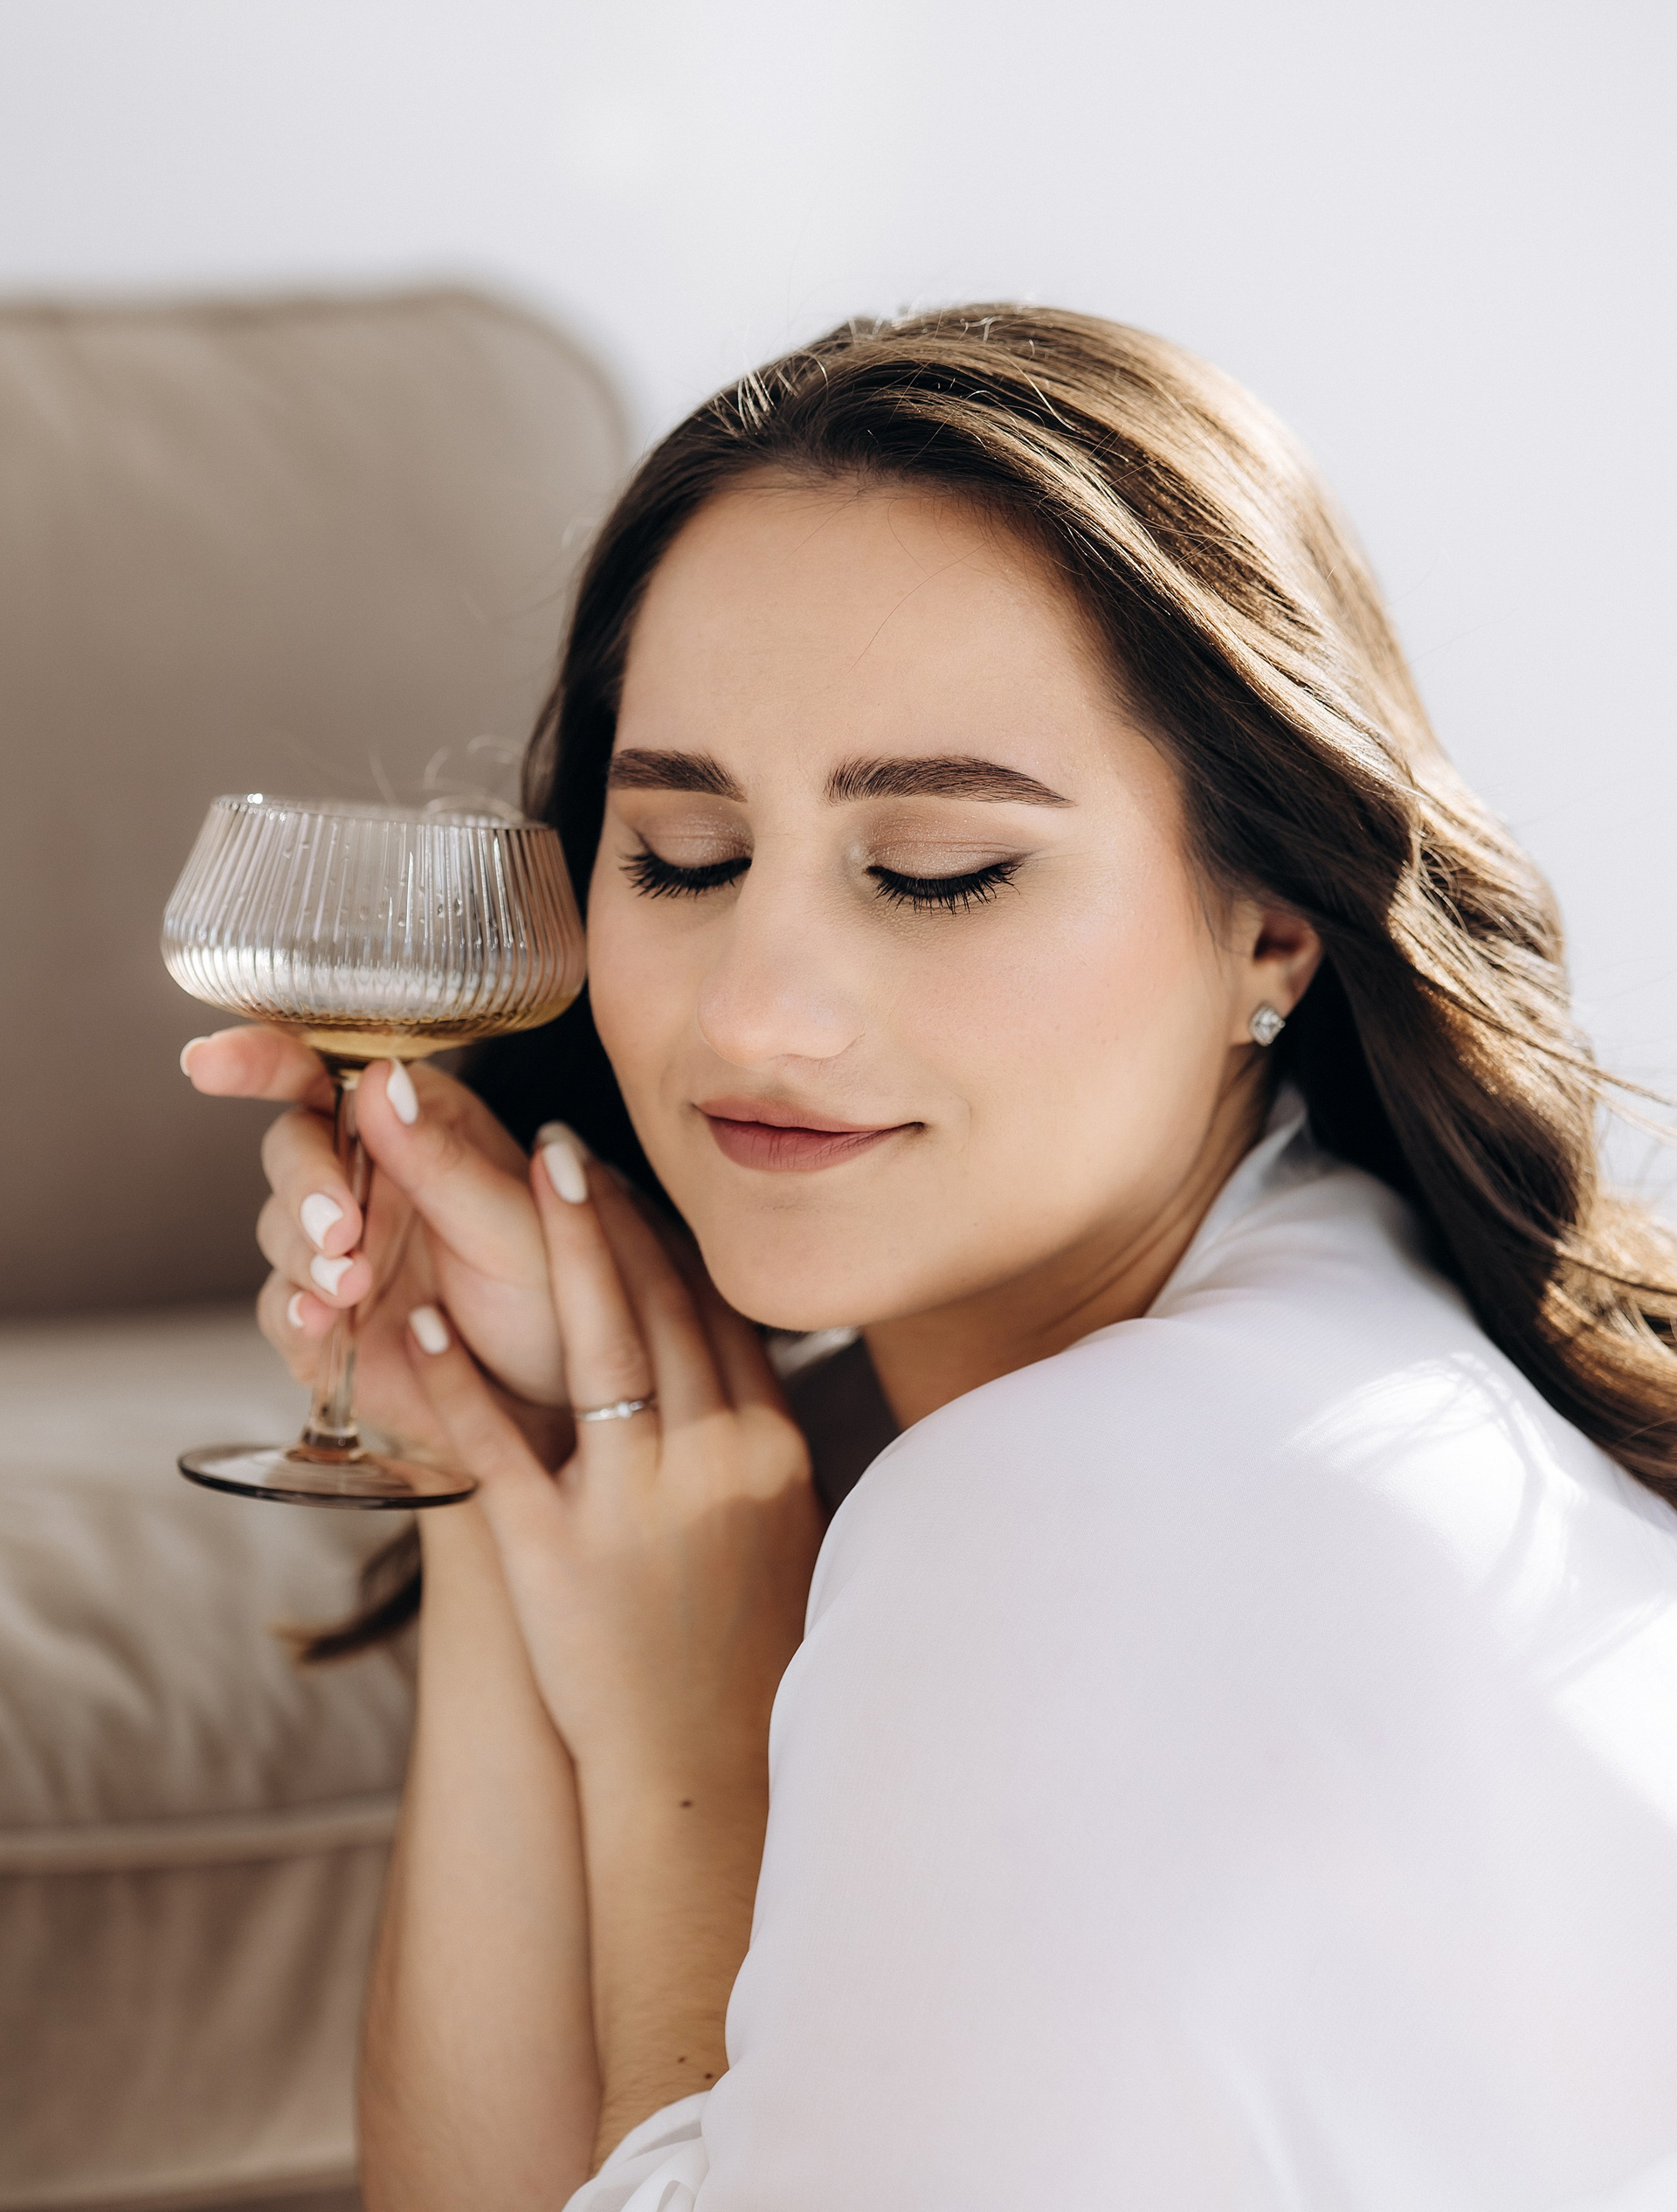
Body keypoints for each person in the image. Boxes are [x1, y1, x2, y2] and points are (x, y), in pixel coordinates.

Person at [183, 308, 1677, 2211]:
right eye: (685, 854)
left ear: (1273, 926)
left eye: (939, 870)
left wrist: (681, 1762)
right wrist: (495, 1437)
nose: (756, 1011)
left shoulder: (1086, 1498)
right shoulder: (1343, 1320)